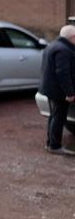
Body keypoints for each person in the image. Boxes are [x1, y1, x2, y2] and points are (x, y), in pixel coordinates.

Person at [39, 25, 75, 155]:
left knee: (54, 116)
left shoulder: (53, 45)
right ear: (73, 37)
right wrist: (69, 93)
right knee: (58, 117)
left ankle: (51, 143)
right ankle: (55, 146)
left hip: (50, 88)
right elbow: (63, 73)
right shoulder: (64, 50)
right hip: (58, 91)